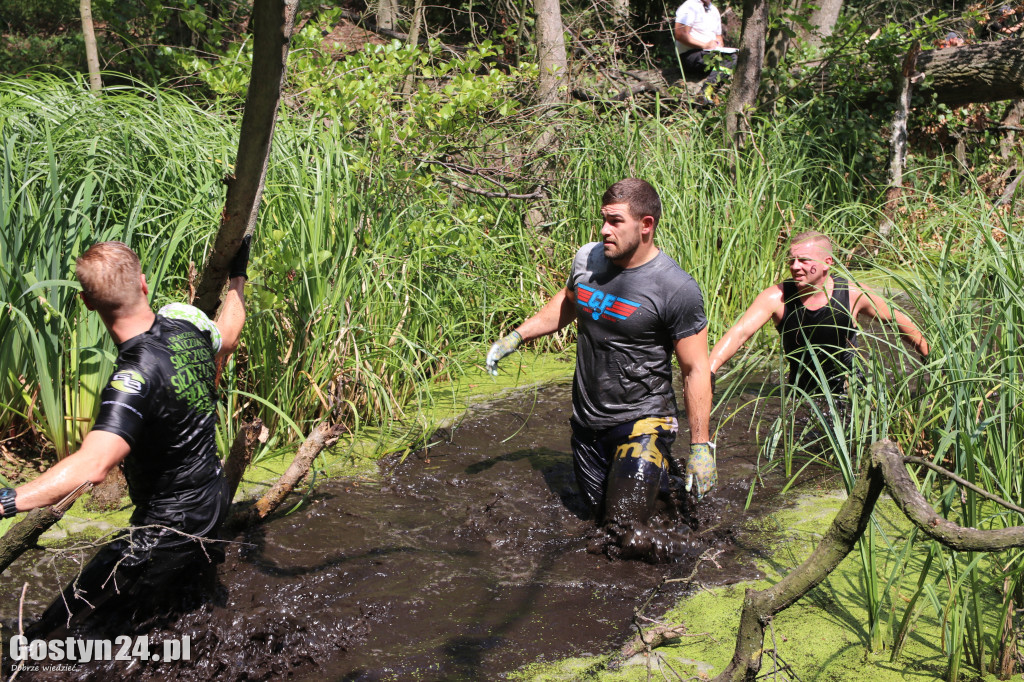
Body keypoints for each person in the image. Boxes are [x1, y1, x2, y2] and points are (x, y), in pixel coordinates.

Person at [1, 238, 249, 638]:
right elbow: (230, 332)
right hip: (214, 502)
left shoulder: (131, 380)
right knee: (181, 622)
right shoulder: (188, 326)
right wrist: (238, 276)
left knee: (54, 635)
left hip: (169, 527)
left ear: (86, 302)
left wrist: (8, 500)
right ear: (144, 284)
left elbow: (93, 465)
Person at [486, 179, 715, 528]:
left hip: (644, 421)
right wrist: (517, 336)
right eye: (603, 219)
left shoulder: (676, 288)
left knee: (623, 528)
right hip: (587, 423)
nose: (604, 230)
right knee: (600, 521)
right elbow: (569, 301)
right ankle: (667, 496)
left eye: (615, 221)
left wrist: (701, 446)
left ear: (646, 225)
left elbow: (695, 369)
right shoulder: (588, 258)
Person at [708, 231, 928, 396]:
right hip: (799, 395)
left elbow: (898, 321)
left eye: (803, 260)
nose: (795, 266)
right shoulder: (776, 297)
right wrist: (709, 370)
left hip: (849, 394)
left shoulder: (852, 294)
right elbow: (739, 333)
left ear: (827, 263)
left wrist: (930, 359)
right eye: (791, 260)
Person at [673, 0, 736, 86]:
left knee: (735, 57)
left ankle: (713, 88)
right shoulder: (689, 6)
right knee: (730, 58)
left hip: (710, 54)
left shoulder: (713, 10)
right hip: (690, 55)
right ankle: (706, 93)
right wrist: (705, 45)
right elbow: (680, 34)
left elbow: (718, 36)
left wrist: (719, 44)